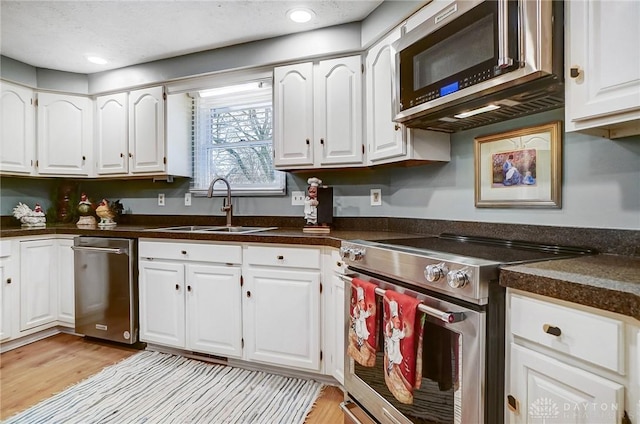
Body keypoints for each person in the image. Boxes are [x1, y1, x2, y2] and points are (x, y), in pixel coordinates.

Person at [385, 300, 405, 375]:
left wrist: (404, 330)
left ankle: (392, 367)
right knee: (391, 353)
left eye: (399, 322)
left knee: (396, 354)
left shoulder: (397, 330)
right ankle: (390, 367)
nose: (398, 323)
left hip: (396, 344)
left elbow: (401, 335)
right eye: (397, 322)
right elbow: (388, 333)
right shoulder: (389, 326)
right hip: (391, 343)